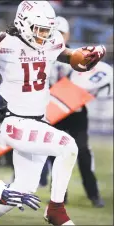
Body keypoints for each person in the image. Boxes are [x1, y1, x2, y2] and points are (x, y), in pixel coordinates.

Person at [0, 1, 106, 225]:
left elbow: (66, 56)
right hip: (13, 121)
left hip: (38, 121)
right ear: (23, 24)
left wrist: (84, 56)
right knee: (67, 145)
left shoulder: (51, 40)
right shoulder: (4, 44)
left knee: (24, 187)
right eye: (41, 29)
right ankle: (56, 209)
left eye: (48, 29)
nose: (45, 35)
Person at [40, 16, 106, 208]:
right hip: (53, 111)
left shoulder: (81, 54)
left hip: (76, 112)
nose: (58, 36)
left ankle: (93, 194)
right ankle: (59, 197)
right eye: (55, 33)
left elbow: (99, 77)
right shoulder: (42, 55)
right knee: (54, 154)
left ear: (67, 34)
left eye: (61, 33)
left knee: (83, 153)